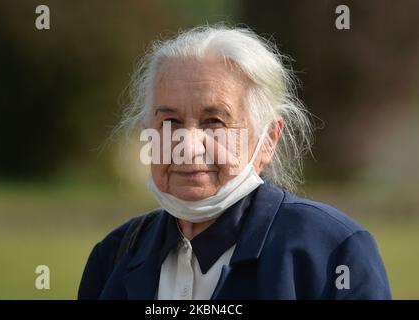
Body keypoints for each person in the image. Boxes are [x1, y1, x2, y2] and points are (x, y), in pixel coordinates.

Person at [78, 25, 391, 300]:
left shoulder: (333, 253)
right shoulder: (113, 257)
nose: (187, 146)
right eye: (170, 121)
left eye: (214, 121)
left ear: (268, 138)